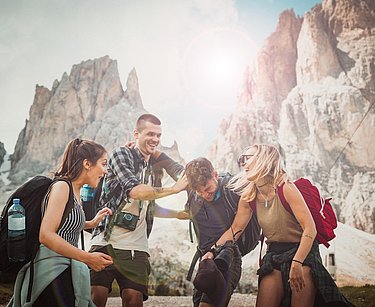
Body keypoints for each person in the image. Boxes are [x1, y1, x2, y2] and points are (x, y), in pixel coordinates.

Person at [214, 144, 354, 307]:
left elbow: (310, 228)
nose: (242, 163)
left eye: (247, 158)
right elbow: (235, 229)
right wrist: (212, 250)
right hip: (274, 252)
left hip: (302, 251)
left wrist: (298, 262)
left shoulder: (286, 188)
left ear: (263, 159)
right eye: (241, 159)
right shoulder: (249, 196)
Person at [90, 113, 188, 307]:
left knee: (133, 299)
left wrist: (177, 215)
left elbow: (149, 204)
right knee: (95, 297)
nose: (156, 139)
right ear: (136, 133)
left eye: (159, 135)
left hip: (137, 247)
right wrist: (173, 190)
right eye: (150, 134)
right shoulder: (121, 154)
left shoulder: (155, 165)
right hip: (106, 241)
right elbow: (135, 192)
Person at [8, 138, 114, 307]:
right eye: (103, 164)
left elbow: (64, 224)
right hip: (51, 273)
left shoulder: (75, 191)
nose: (106, 171)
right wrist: (88, 258)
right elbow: (46, 235)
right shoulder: (62, 187)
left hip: (64, 269)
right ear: (87, 163)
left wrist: (91, 223)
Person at [184, 157, 260, 307]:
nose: (205, 195)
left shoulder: (234, 189)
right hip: (206, 258)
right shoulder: (194, 190)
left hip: (228, 255)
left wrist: (213, 251)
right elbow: (170, 165)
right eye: (199, 192)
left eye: (207, 189)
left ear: (215, 175)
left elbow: (237, 227)